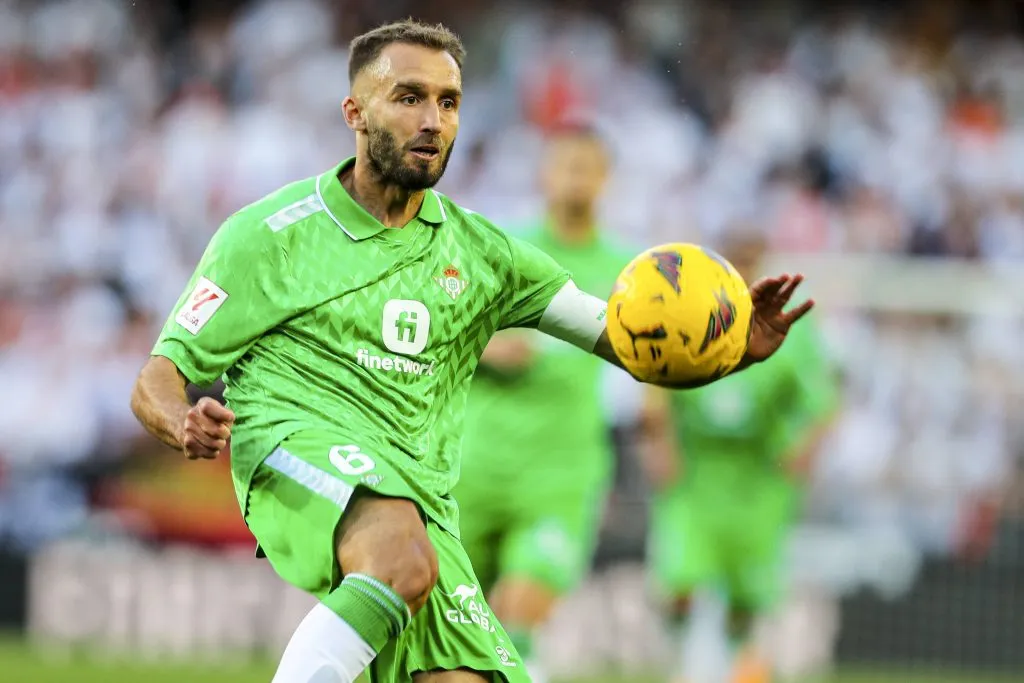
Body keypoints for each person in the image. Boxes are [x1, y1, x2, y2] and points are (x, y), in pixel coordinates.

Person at [129, 19, 813, 683]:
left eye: (448, 102)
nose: (432, 118)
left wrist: (729, 353)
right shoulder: (267, 235)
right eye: (409, 97)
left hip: (423, 500)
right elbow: (159, 376)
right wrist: (181, 417)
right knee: (398, 554)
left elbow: (623, 340)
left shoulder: (486, 255)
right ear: (355, 111)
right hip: (294, 444)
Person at [452, 122, 634, 682]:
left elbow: (661, 356)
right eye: (565, 166)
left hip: (561, 472)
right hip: (474, 463)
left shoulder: (629, 269)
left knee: (521, 611)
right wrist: (485, 346)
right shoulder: (503, 249)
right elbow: (436, 329)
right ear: (544, 174)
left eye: (588, 168)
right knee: (451, 629)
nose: (575, 179)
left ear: (606, 180)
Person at [639, 229, 839, 683]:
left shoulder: (790, 334)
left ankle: (732, 662)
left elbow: (823, 402)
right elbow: (654, 379)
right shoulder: (689, 314)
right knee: (680, 586)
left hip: (758, 482)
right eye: (735, 261)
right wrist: (659, 444)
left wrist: (804, 452)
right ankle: (686, 656)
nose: (744, 271)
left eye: (752, 260)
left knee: (748, 598)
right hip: (697, 477)